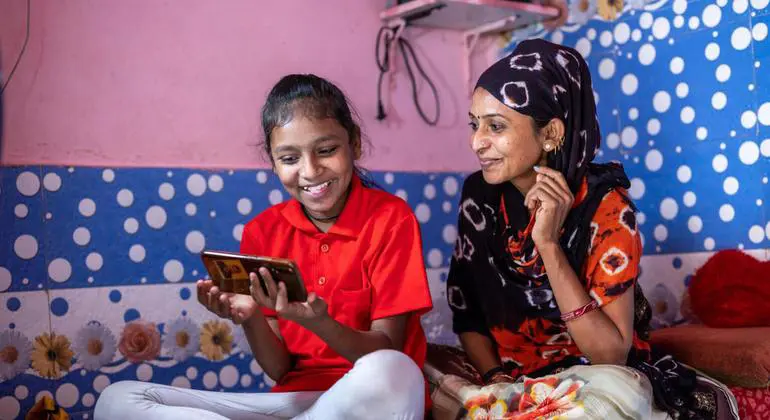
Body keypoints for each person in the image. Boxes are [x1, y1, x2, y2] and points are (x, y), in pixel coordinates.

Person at [95, 74, 433, 420]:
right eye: (289, 159)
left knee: (394, 371)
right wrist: (251, 317)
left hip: (365, 399)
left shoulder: (391, 219)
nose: (311, 170)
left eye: (327, 150)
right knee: (118, 400)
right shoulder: (263, 231)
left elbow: (385, 349)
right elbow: (280, 369)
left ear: (355, 144)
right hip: (296, 401)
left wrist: (319, 323)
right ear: (272, 162)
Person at [447, 39, 738, 419]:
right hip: (508, 378)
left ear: (551, 133)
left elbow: (609, 354)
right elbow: (466, 312)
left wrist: (549, 245)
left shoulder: (606, 208)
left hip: (594, 380)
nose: (477, 142)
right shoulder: (480, 197)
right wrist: (496, 381)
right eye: (474, 125)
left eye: (495, 126)